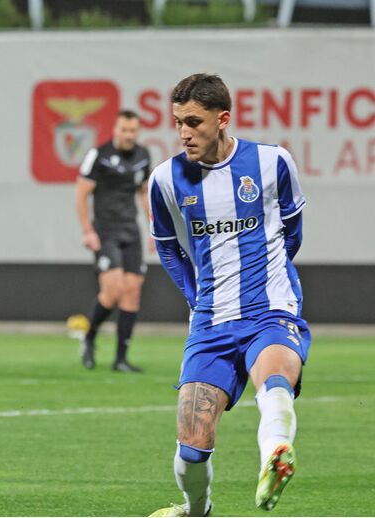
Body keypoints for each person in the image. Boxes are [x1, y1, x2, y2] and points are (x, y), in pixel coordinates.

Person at [147, 73, 310, 516]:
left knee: (273, 380)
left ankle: (276, 455)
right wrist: (195, 297)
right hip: (211, 319)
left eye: (194, 122)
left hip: (270, 308)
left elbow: (291, 233)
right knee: (192, 444)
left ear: (223, 119)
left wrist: (268, 275)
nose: (183, 132)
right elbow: (167, 247)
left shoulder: (272, 162)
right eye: (178, 121)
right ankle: (195, 509)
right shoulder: (165, 179)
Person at [75, 110, 151, 372]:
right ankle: (89, 336)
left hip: (131, 231)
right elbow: (81, 193)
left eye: (133, 130)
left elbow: (144, 193)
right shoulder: (100, 155)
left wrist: (155, 226)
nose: (128, 135)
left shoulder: (143, 156)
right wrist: (88, 230)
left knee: (132, 293)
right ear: (115, 130)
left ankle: (121, 359)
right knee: (113, 290)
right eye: (124, 130)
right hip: (105, 231)